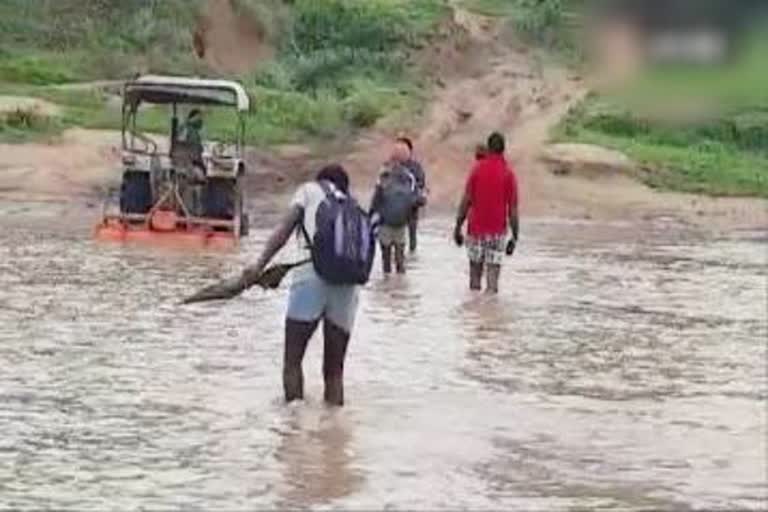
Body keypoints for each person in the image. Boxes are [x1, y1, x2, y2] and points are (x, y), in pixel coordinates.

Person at [236, 164, 370, 406]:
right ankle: (334, 430)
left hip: (310, 278)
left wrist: (259, 265)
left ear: (321, 179)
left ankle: (292, 426)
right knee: (334, 372)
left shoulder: (308, 191)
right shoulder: (353, 203)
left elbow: (284, 230)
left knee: (293, 360)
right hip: (348, 286)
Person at [453, 132, 519, 294]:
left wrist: (458, 227)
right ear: (503, 150)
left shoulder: (476, 170)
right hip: (497, 232)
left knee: (474, 278)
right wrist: (514, 237)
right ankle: (489, 313)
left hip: (476, 230)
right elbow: (513, 210)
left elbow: (466, 201)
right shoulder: (508, 174)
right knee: (492, 280)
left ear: (488, 149)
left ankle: (475, 314)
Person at [370, 144, 418, 274]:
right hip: (401, 223)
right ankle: (399, 288)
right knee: (400, 260)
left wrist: (370, 216)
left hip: (385, 222)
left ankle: (388, 286)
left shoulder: (384, 176)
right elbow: (414, 199)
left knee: (386, 260)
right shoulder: (409, 177)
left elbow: (376, 199)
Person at [396, 137, 427, 253]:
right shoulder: (390, 166)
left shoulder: (416, 167)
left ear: (410, 151)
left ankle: (411, 254)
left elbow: (421, 183)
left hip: (411, 206)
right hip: (395, 206)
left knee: (412, 235)